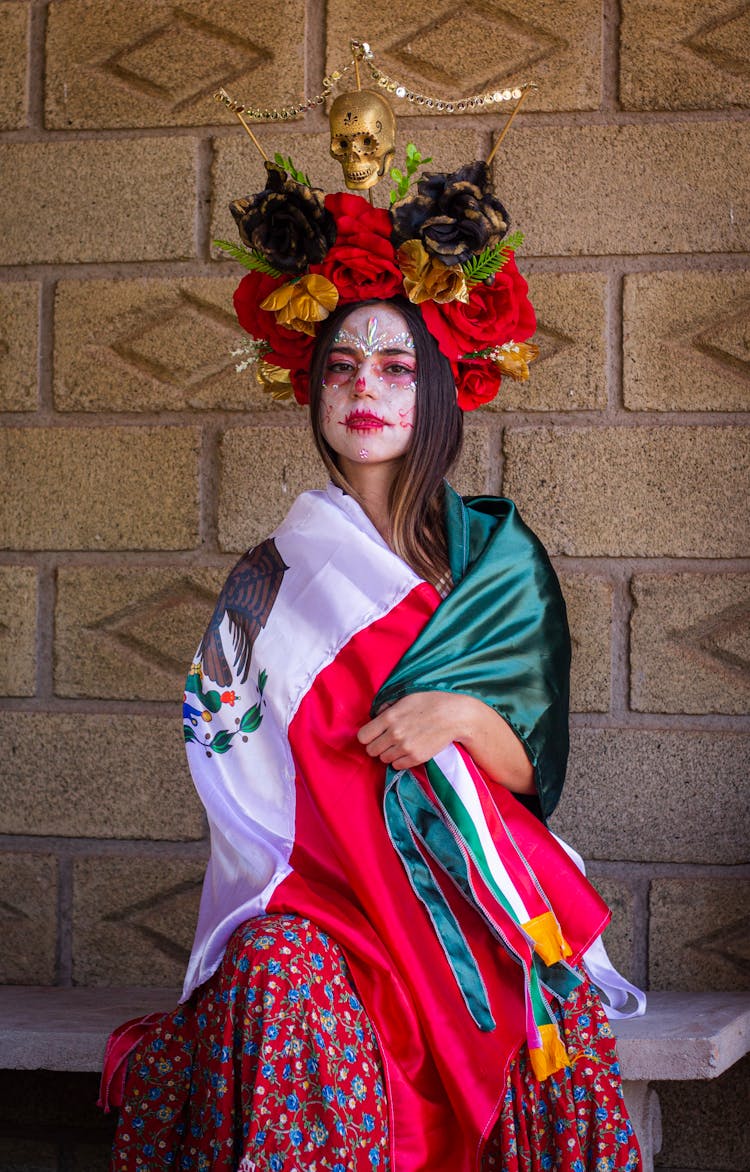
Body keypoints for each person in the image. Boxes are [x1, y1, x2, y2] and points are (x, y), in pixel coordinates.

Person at [103, 140, 642, 1172]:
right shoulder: (273, 573)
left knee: (548, 1012)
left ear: (439, 384)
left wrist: (462, 718)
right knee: (274, 974)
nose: (366, 388)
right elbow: (231, 760)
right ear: (311, 387)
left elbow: (538, 770)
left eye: (397, 366)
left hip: (464, 900)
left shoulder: (496, 559)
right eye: (343, 365)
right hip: (317, 895)